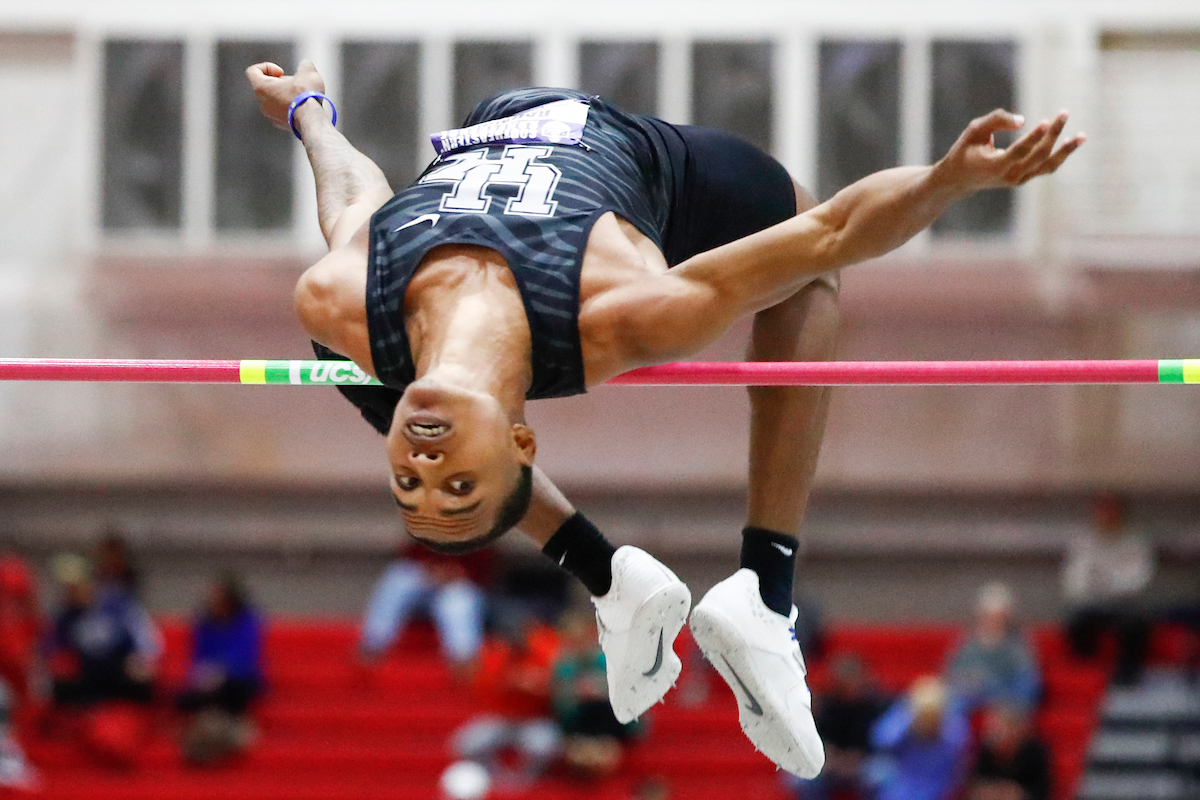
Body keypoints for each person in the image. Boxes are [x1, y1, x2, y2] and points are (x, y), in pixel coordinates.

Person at [245, 59, 1083, 776]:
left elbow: (352, 195)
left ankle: (609, 574)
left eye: (408, 479)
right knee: (807, 267)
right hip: (641, 171)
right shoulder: (625, 312)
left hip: (484, 129)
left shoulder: (342, 298)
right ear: (521, 438)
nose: (425, 463)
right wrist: (945, 182)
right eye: (455, 481)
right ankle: (765, 591)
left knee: (334, 345)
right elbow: (830, 233)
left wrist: (309, 112)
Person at [449, 614, 561, 787]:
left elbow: (559, 684)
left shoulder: (544, 649)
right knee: (465, 744)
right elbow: (482, 686)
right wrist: (510, 682)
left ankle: (523, 781)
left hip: (535, 718)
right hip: (502, 718)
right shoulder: (495, 653)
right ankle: (495, 777)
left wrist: (538, 685)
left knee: (544, 747)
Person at [46, 553, 161, 709]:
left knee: (142, 684)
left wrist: (141, 659)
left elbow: (148, 641)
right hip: (89, 674)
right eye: (67, 588)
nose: (71, 591)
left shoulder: (118, 605)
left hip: (120, 671)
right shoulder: (67, 616)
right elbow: (52, 648)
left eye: (76, 585)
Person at [359, 543, 491, 678]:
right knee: (398, 577)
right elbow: (411, 553)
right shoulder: (429, 524)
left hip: (460, 584)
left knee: (457, 601)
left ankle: (463, 660)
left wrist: (457, 572)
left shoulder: (479, 526)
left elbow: (485, 565)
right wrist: (432, 568)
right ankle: (372, 647)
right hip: (426, 578)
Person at [1062, 492, 1154, 684]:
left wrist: (1106, 582)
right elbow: (1074, 579)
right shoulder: (1083, 542)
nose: (1106, 515)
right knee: (1075, 622)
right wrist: (1097, 584)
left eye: (1111, 510)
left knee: (1136, 625)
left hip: (1124, 604)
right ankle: (1086, 674)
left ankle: (1127, 676)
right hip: (1091, 603)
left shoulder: (1134, 541)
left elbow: (1138, 579)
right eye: (1102, 510)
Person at [176, 575, 265, 765]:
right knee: (185, 696)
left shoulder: (246, 622)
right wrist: (203, 674)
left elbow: (246, 658)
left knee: (232, 686)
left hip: (238, 681)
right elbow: (197, 658)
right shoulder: (204, 624)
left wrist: (221, 671)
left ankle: (228, 729)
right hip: (208, 684)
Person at [551, 611, 641, 780]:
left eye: (580, 638)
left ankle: (600, 750)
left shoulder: (608, 660)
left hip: (610, 721)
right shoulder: (564, 665)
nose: (577, 644)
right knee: (580, 751)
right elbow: (561, 702)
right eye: (572, 639)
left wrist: (599, 691)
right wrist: (575, 693)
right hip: (580, 722)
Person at [789, 655, 887, 800]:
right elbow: (816, 739)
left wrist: (858, 758)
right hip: (831, 764)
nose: (850, 686)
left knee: (883, 775)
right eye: (845, 681)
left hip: (864, 763)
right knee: (801, 779)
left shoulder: (876, 706)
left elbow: (885, 740)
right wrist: (832, 758)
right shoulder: (825, 706)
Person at [870, 676, 971, 800]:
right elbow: (880, 740)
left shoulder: (953, 726)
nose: (927, 720)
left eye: (932, 715)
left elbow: (961, 749)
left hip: (939, 787)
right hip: (902, 784)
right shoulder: (903, 717)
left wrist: (938, 731)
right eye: (924, 715)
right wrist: (908, 724)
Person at [946, 583, 1041, 712]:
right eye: (989, 617)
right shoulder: (968, 643)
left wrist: (994, 687)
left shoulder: (1018, 645)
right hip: (970, 693)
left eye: (998, 617)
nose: (993, 622)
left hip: (1005, 695)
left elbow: (1027, 681)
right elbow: (952, 673)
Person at [968, 703, 1050, 800]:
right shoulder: (986, 751)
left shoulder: (1035, 752)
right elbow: (975, 786)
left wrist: (1018, 793)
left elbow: (1041, 791)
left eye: (1002, 728)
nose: (996, 733)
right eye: (994, 728)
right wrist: (992, 791)